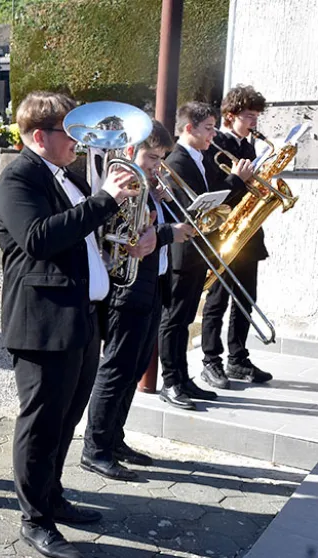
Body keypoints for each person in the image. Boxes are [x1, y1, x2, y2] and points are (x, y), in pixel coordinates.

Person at [0, 91, 140, 558]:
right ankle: (34, 519)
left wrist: (130, 231)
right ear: (41, 135)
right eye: (70, 131)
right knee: (40, 424)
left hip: (80, 316)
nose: (80, 139)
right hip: (42, 322)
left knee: (66, 419)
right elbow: (39, 239)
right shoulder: (19, 176)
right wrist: (105, 199)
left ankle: (52, 496)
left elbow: (86, 235)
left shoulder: (65, 176)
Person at [81, 121, 196, 482]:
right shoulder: (122, 186)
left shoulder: (145, 189)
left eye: (161, 158)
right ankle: (95, 448)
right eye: (150, 157)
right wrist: (168, 232)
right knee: (116, 368)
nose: (155, 165)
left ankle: (115, 438)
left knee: (132, 370)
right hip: (127, 288)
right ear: (130, 152)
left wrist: (161, 206)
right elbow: (130, 242)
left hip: (151, 285)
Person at [158, 101, 254, 411]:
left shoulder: (200, 158)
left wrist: (236, 186)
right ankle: (170, 381)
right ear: (190, 129)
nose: (214, 134)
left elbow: (216, 201)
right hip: (182, 252)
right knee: (174, 320)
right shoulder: (177, 160)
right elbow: (185, 207)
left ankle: (184, 379)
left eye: (213, 127)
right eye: (209, 128)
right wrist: (235, 181)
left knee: (186, 318)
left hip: (199, 250)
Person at [200, 85, 273, 388]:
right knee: (217, 300)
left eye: (256, 115)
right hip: (224, 234)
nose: (254, 121)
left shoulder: (248, 146)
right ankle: (210, 360)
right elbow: (215, 193)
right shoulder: (216, 144)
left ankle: (238, 359)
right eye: (249, 115)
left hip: (248, 233)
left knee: (246, 298)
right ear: (230, 116)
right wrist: (239, 179)